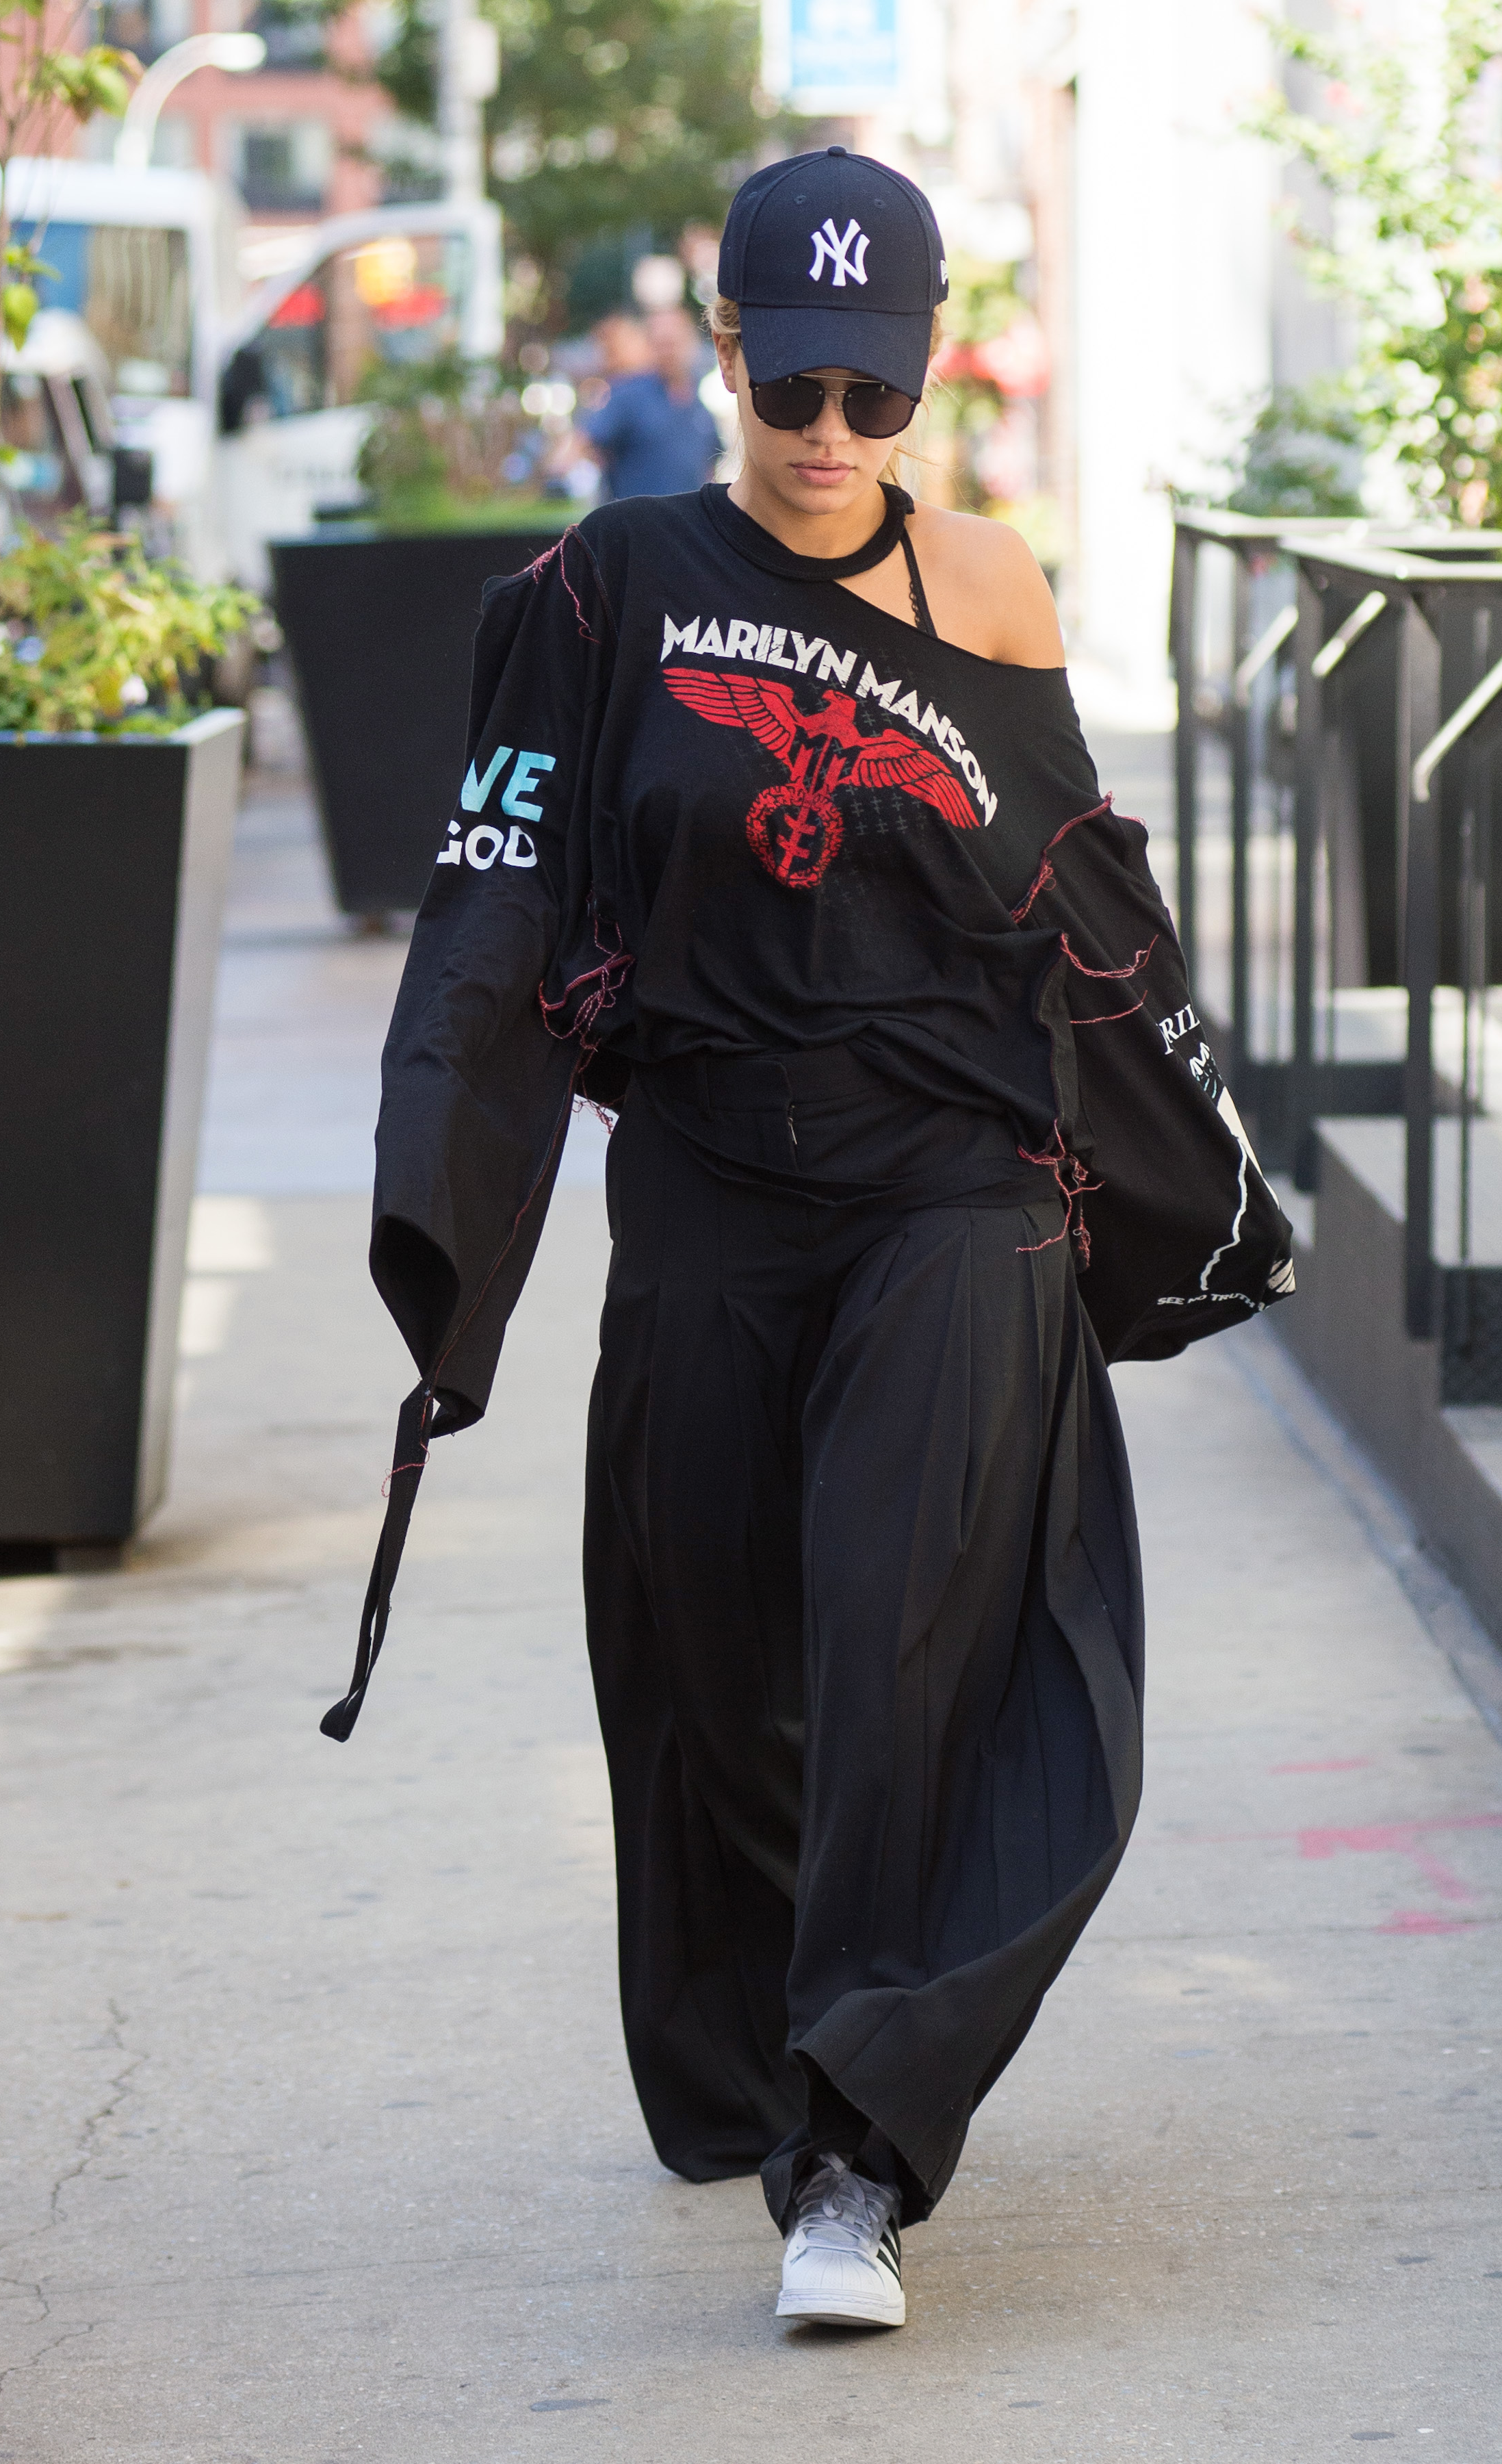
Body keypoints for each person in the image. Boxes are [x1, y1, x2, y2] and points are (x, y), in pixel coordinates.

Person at [340, 146, 1286, 2335]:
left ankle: (857, 2154)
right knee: (708, 1655)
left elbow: (1083, 910)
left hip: (956, 1187)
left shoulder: (993, 591)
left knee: (903, 1639)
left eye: (874, 393)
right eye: (793, 388)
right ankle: (750, 2055)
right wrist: (448, 1200)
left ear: (925, 370)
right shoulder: (608, 589)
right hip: (708, 1184)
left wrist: (1177, 1171)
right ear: (724, 345)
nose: (831, 434)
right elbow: (497, 897)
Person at [575, 299, 721, 500]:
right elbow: (586, 443)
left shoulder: (699, 402)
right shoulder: (629, 394)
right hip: (637, 516)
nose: (669, 352)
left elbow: (710, 464)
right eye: (662, 344)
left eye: (674, 342)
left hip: (686, 516)